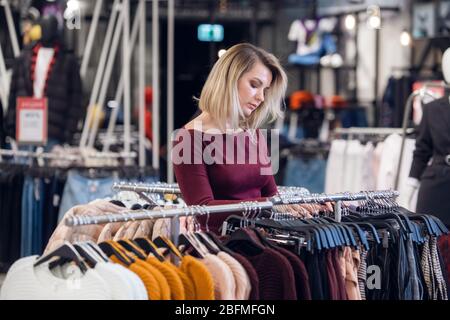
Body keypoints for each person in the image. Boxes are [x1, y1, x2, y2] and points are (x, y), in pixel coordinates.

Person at [172, 43, 287, 234]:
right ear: (229, 80)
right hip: (221, 244)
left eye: (265, 90)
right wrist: (270, 205)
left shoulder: (252, 133)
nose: (261, 98)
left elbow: (270, 192)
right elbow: (203, 210)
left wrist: (290, 207)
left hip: (263, 237)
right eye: (254, 85)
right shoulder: (188, 139)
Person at [406, 47, 450, 277]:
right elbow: (422, 150)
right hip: (437, 186)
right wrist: (410, 186)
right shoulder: (432, 109)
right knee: (432, 247)